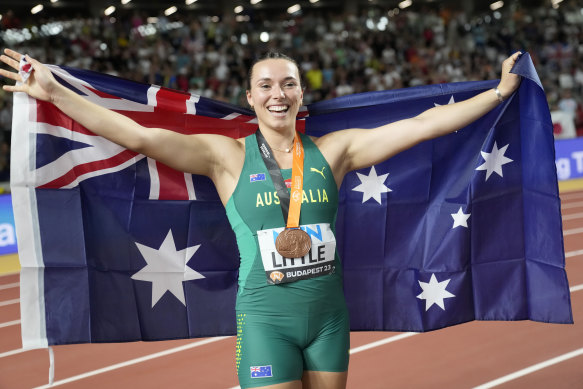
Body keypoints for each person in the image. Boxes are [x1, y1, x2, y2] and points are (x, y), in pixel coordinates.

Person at [0, 48, 521, 389]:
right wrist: (55, 93)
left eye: (288, 84)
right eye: (267, 85)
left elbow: (424, 125)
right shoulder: (225, 157)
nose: (278, 93)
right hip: (266, 322)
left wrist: (497, 94)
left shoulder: (335, 151)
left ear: (300, 94)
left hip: (329, 320)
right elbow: (138, 137)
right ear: (250, 98)